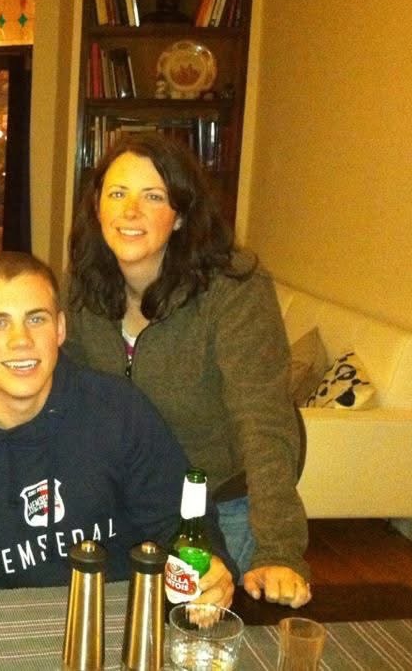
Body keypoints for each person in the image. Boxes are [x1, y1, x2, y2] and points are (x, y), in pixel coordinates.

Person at [0, 252, 235, 606]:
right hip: (2, 630)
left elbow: (179, 522)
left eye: (36, 319)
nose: (21, 340)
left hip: (122, 619)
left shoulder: (119, 411)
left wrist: (207, 568)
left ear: (60, 328)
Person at [65, 132, 312, 608]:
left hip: (220, 503)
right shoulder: (80, 288)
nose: (130, 211)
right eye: (117, 193)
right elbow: (63, 399)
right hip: (127, 506)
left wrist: (279, 550)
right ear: (97, 208)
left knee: (205, 630)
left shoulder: (233, 288)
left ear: (179, 215)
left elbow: (263, 420)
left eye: (153, 196)